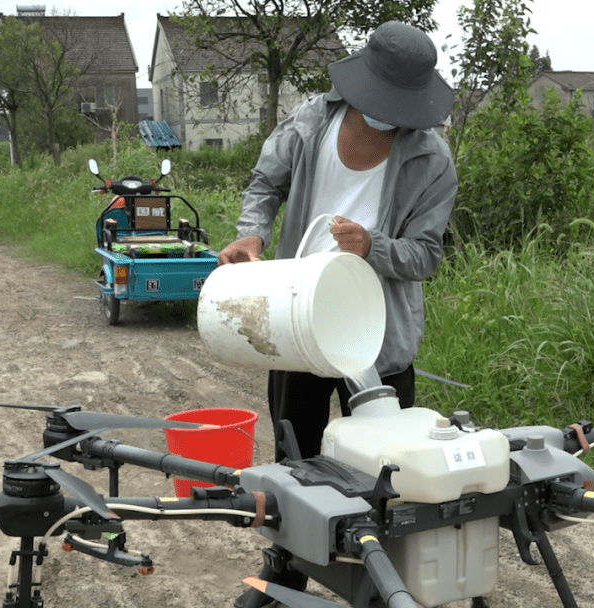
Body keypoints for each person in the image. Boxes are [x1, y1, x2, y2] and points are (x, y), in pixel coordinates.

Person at [219, 20, 457, 608]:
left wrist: (372, 247)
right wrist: (251, 235)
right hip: (298, 320)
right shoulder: (310, 122)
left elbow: (425, 256)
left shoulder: (431, 158)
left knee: (384, 470)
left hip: (374, 334)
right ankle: (288, 572)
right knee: (294, 459)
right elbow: (264, 184)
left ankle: (379, 582)